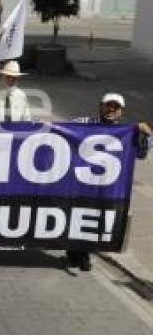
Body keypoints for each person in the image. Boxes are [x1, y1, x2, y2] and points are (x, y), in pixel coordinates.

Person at [68, 93, 152, 271]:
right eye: (108, 106)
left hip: (108, 186)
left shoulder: (126, 131)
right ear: (100, 106)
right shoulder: (86, 122)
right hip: (81, 181)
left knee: (95, 219)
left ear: (121, 112)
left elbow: (142, 154)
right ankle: (75, 253)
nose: (111, 110)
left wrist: (146, 134)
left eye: (116, 107)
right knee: (76, 214)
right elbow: (65, 129)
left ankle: (84, 254)